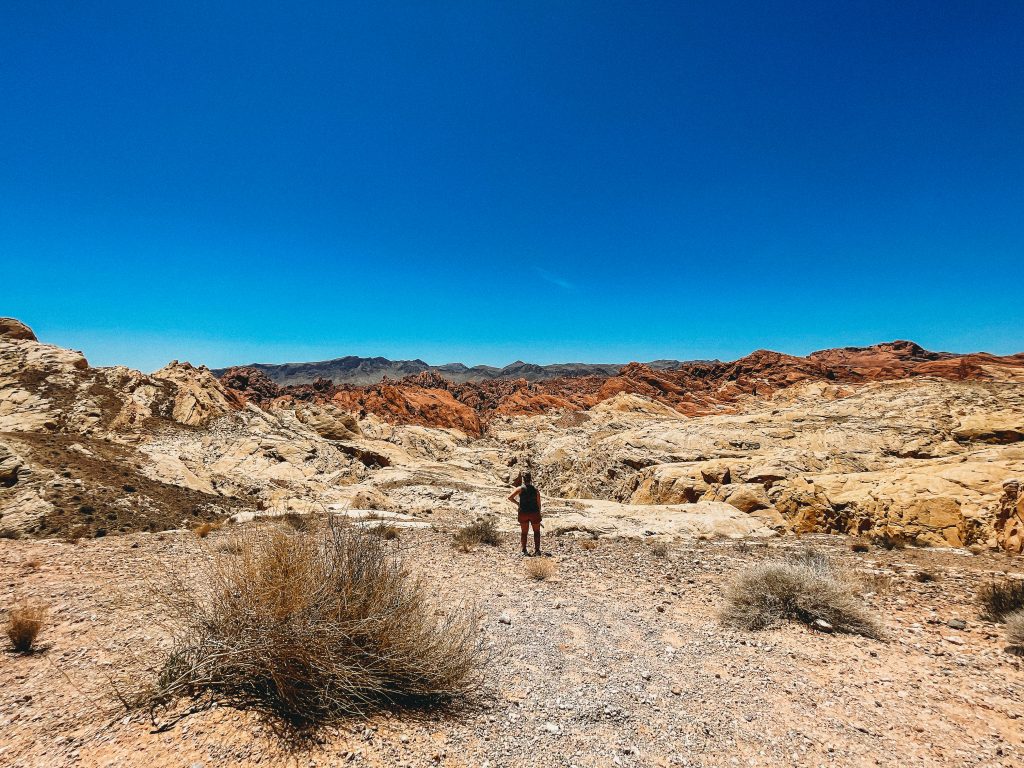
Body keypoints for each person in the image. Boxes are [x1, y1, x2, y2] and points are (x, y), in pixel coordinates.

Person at [508, 472, 542, 556]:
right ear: (531, 479)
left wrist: (518, 503)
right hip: (534, 512)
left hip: (523, 513)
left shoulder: (520, 489)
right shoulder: (535, 490)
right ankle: (537, 551)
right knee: (536, 532)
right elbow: (539, 503)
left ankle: (524, 551)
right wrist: (539, 513)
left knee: (524, 532)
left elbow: (510, 497)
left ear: (523, 479)